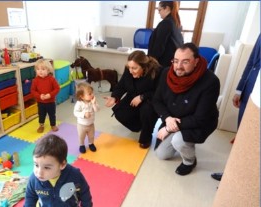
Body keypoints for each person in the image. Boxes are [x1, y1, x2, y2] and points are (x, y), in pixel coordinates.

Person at [152, 42, 220, 176]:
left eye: (185, 62)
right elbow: (157, 100)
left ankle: (190, 161)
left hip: (199, 123)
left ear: (196, 61)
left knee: (178, 140)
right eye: (175, 61)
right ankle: (180, 140)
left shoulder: (211, 81)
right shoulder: (166, 72)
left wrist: (168, 128)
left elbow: (200, 118)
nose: (178, 66)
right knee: (161, 154)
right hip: (173, 118)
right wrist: (167, 118)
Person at [211, 33, 261, 181]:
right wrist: (240, 89)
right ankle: (233, 175)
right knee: (243, 136)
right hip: (249, 91)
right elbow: (252, 61)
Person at [23, 134, 93, 207]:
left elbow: (84, 191)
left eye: (47, 167)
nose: (39, 172)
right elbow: (30, 196)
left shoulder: (74, 175)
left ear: (62, 164)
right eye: (36, 165)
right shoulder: (34, 179)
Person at [104, 50, 162, 149]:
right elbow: (121, 85)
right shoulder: (129, 69)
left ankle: (146, 135)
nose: (130, 71)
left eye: (134, 68)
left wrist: (142, 97)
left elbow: (159, 92)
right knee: (119, 113)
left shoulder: (157, 71)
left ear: (144, 67)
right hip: (133, 96)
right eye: (129, 67)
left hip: (149, 99)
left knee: (146, 111)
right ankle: (142, 125)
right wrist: (115, 97)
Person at [148, 1, 184, 68]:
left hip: (163, 63)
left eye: (160, 10)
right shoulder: (176, 22)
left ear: (166, 8)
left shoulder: (166, 23)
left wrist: (151, 61)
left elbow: (159, 46)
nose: (158, 13)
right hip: (172, 61)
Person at [31, 59, 60, 133]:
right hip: (41, 102)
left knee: (52, 114)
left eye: (43, 69)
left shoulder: (51, 79)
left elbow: (57, 88)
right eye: (38, 69)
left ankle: (53, 125)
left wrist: (50, 95)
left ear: (48, 70)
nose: (40, 71)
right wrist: (39, 96)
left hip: (50, 102)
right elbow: (33, 91)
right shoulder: (35, 80)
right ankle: (41, 125)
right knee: (41, 114)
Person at [73, 82, 100, 153]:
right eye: (89, 94)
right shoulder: (79, 103)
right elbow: (75, 113)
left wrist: (94, 103)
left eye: (92, 93)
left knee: (91, 136)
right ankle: (81, 145)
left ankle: (91, 144)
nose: (92, 95)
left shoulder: (92, 101)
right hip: (81, 125)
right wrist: (84, 114)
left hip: (91, 124)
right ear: (82, 96)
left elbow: (97, 110)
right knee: (81, 136)